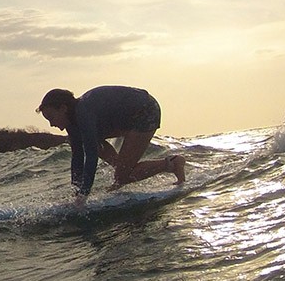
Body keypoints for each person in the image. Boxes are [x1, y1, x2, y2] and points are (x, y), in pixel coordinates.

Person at [36, 86, 185, 202]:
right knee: (92, 144)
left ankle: (172, 163)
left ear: (63, 109)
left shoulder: (84, 114)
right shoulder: (73, 123)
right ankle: (122, 170)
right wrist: (77, 192)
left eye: (51, 117)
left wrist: (84, 195)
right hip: (124, 116)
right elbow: (77, 156)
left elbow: (91, 155)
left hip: (145, 111)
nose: (51, 124)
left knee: (121, 176)